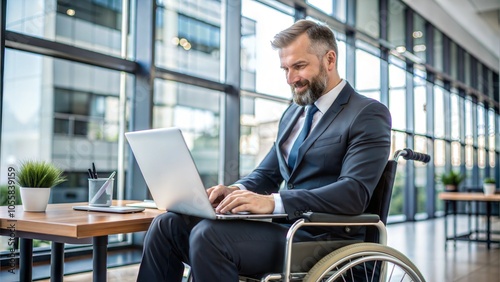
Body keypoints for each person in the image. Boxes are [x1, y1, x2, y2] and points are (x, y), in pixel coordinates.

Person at [136, 19, 391, 282]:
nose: (291, 79)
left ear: (329, 60)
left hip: (324, 237)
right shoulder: (293, 112)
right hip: (284, 230)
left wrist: (273, 202)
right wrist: (234, 191)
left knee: (208, 237)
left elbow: (354, 193)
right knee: (166, 225)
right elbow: (266, 175)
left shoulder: (367, 113)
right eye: (286, 69)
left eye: (299, 66)